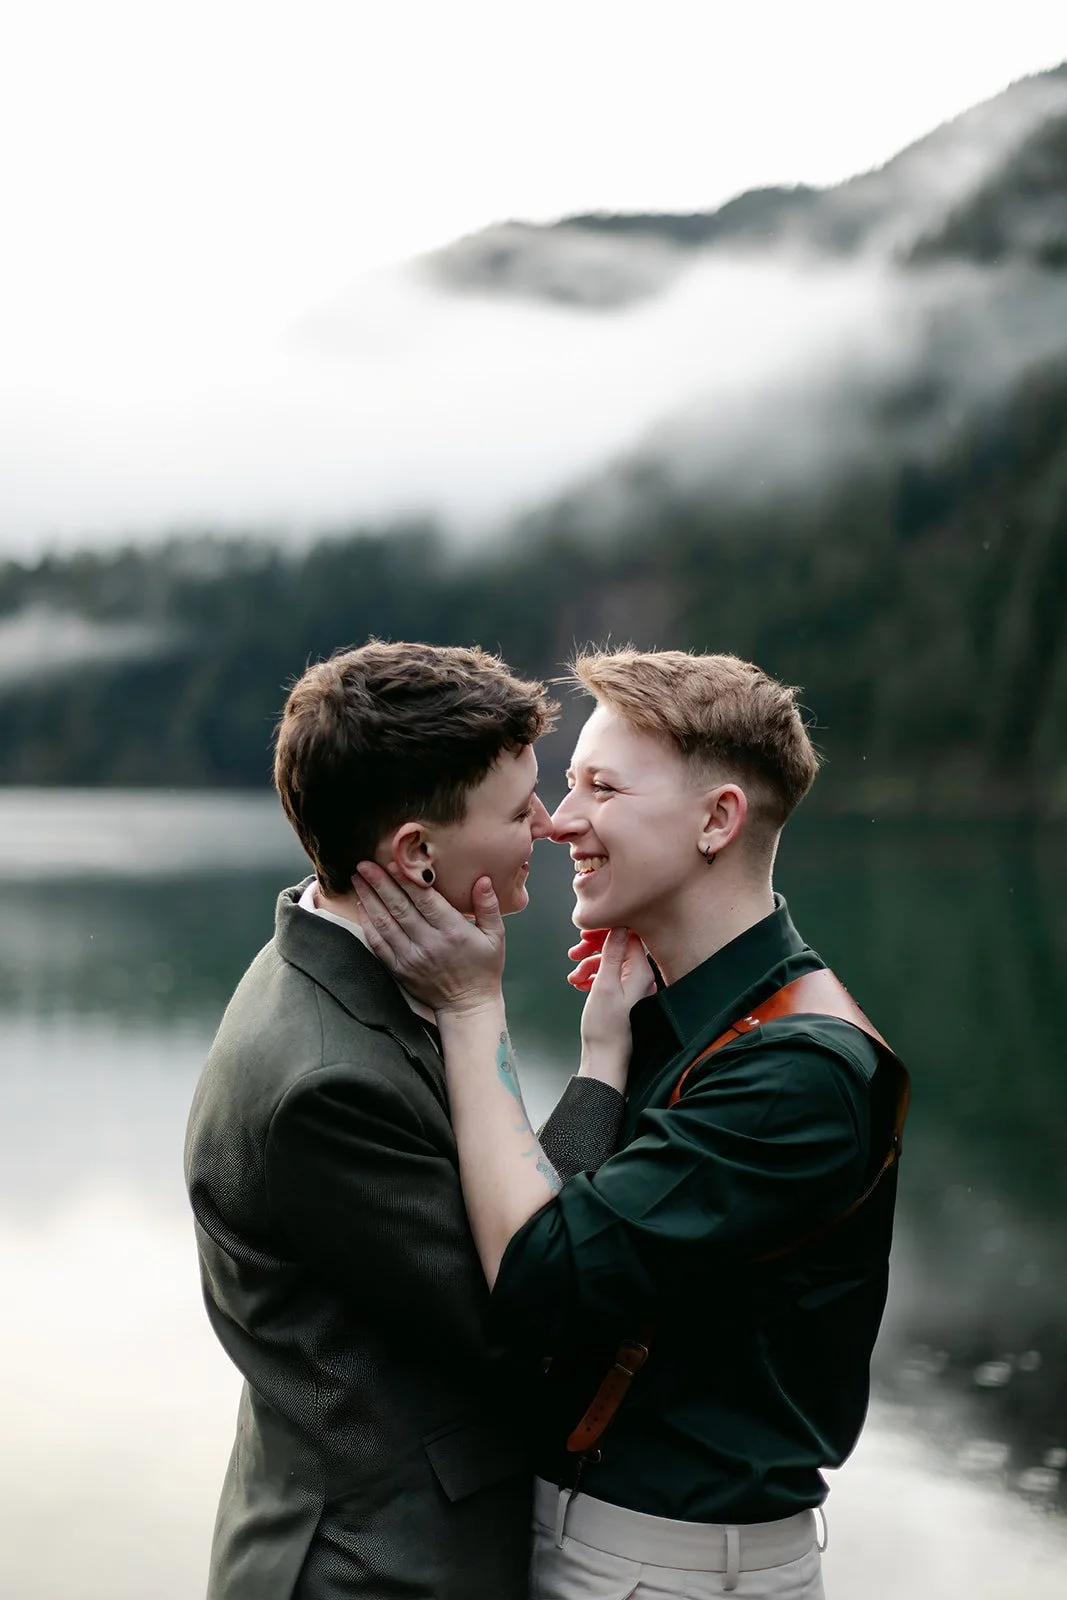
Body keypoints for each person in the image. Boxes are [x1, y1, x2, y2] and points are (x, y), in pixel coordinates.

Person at [352, 646, 909, 1600]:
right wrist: (602, 1060)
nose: (559, 822)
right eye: (568, 785)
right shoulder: (684, 1014)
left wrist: (469, 1006)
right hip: (616, 1553)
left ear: (717, 821)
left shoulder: (793, 1075)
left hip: (670, 1573)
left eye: (601, 789)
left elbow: (538, 1285)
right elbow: (568, 1227)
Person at [184, 640, 627, 1600]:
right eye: (518, 810)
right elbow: (527, 1316)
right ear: (417, 854)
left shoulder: (345, 965)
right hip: (377, 1569)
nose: (548, 828)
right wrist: (600, 1067)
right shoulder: (325, 1085)